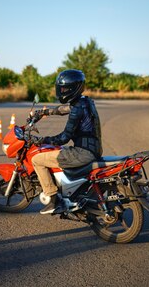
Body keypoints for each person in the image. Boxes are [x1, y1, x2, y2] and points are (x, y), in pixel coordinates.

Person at [31, 69, 103, 215]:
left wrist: (42, 140)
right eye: (61, 88)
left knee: (37, 159)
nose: (61, 91)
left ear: (73, 88)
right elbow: (64, 109)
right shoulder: (85, 101)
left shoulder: (77, 109)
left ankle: (52, 199)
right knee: (58, 152)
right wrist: (45, 112)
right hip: (93, 149)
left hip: (83, 153)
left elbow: (64, 137)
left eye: (64, 88)